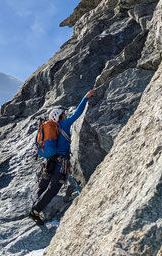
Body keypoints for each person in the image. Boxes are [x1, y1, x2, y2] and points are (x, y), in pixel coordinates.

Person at [29, 89, 96, 225]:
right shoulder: (64, 124)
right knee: (53, 188)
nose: (66, 115)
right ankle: (35, 211)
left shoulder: (52, 128)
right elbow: (77, 113)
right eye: (63, 114)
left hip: (49, 161)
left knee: (43, 185)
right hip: (61, 163)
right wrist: (85, 98)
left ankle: (35, 206)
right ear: (60, 117)